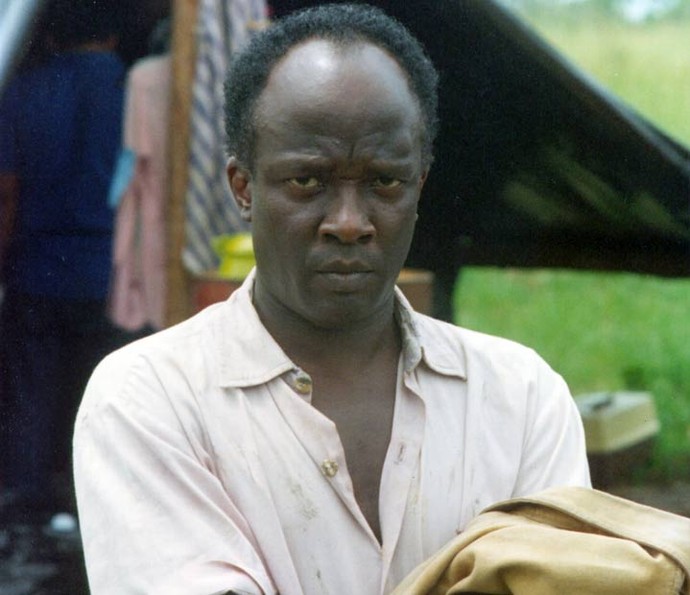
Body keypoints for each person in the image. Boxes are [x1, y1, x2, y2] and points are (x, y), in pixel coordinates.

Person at [73, 4, 590, 594]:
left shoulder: (521, 398)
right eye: (307, 181)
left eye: (384, 181)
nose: (348, 222)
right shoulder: (148, 401)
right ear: (243, 188)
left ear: (419, 186)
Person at [0, 0, 125, 522]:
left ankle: (25, 502)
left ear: (50, 37)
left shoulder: (25, 89)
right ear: (114, 35)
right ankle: (84, 503)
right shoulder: (137, 90)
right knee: (99, 391)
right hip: (113, 271)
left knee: (31, 388)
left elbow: (6, 191)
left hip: (37, 264)